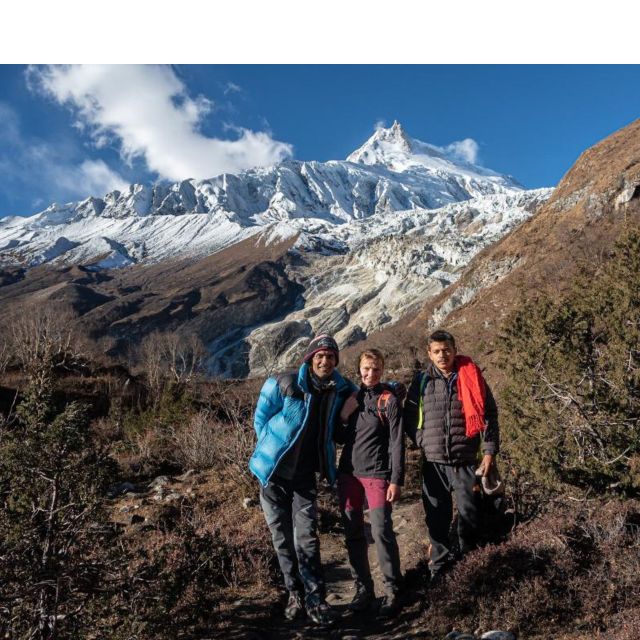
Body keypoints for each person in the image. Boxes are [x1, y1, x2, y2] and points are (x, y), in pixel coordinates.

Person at [249, 334, 357, 625]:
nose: (325, 361)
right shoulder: (284, 383)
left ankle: (315, 598)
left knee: (307, 538)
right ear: (310, 358)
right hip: (273, 477)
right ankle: (294, 593)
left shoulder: (340, 389)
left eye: (331, 357)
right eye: (320, 356)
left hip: (305, 478)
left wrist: (393, 390)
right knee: (282, 539)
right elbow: (260, 418)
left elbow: (364, 393)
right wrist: (270, 448)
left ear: (336, 361)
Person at [403, 330, 499, 580]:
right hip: (434, 463)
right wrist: (423, 441)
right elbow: (410, 418)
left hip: (465, 460)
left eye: (446, 350)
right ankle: (439, 569)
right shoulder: (422, 381)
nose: (442, 355)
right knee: (436, 519)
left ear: (454, 349)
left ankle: (471, 567)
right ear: (429, 354)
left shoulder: (471, 376)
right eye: (436, 351)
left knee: (469, 516)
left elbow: (489, 415)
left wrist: (489, 452)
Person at [335, 348, 404, 618]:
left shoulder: (388, 401)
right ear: (359, 369)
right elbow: (339, 438)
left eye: (376, 369)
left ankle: (392, 590)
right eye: (366, 368)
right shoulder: (352, 398)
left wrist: (396, 480)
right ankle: (363, 590)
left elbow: (397, 444)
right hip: (348, 474)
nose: (370, 374)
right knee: (353, 533)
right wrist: (343, 415)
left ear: (382, 370)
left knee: (381, 532)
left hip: (376, 474)